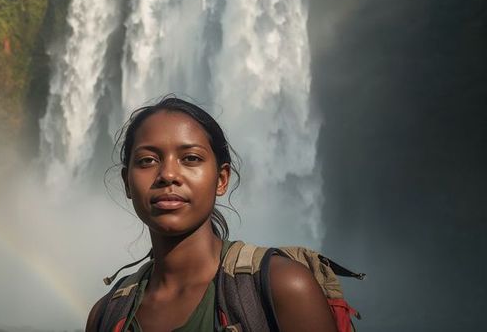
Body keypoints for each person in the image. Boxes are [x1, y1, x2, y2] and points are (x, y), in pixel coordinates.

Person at [86, 97, 337, 332]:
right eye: (147, 161)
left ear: (221, 179)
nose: (168, 175)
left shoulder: (283, 287)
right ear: (127, 183)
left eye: (191, 158)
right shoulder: (105, 315)